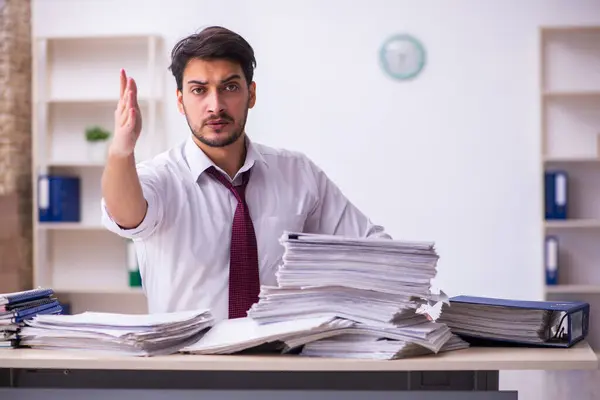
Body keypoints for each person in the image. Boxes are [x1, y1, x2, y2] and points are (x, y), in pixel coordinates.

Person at [101, 25, 390, 321]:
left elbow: (369, 245)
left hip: (282, 359)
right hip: (187, 361)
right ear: (180, 101)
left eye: (230, 87)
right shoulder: (162, 177)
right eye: (199, 90)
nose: (215, 106)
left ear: (251, 94)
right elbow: (126, 215)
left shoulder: (297, 173)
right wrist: (121, 151)